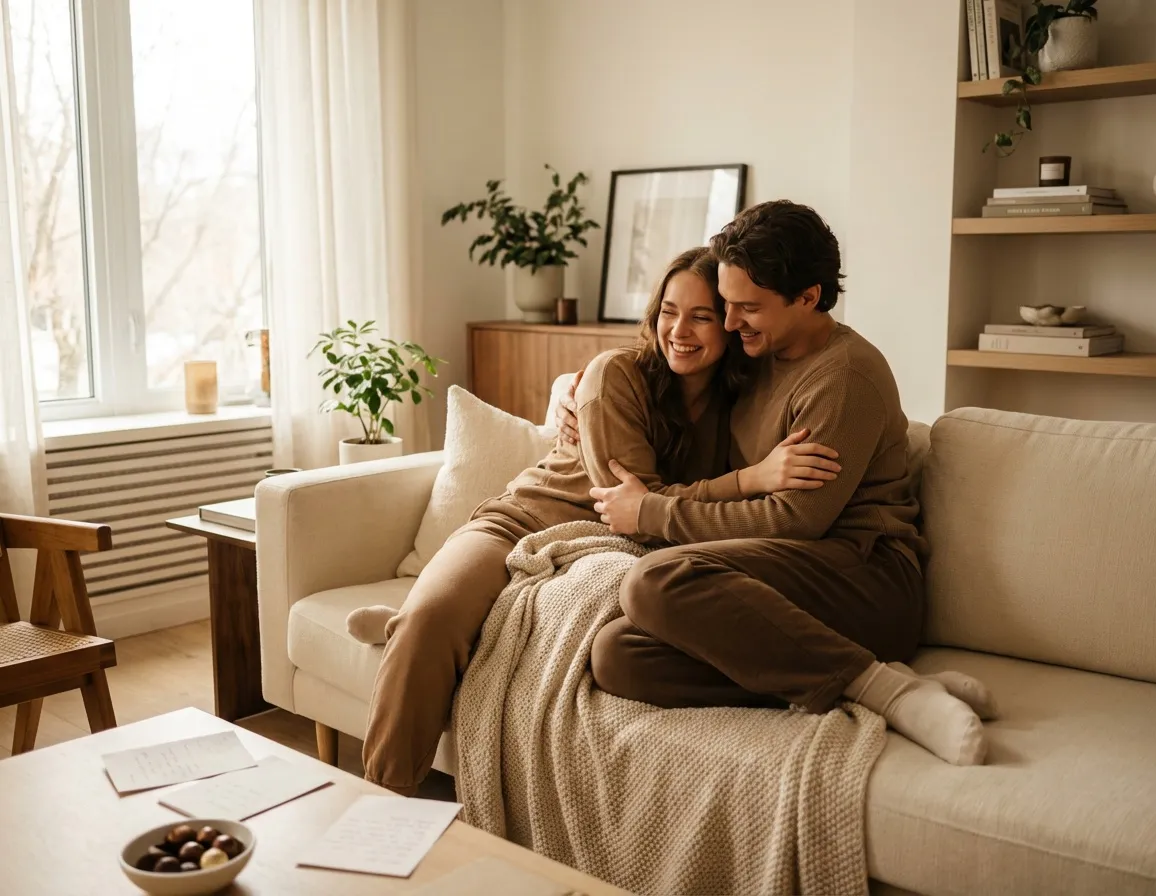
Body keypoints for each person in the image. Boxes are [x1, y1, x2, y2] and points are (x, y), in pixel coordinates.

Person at [352, 246, 844, 795]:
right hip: (523, 524)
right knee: (431, 619)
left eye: (701, 316)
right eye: (668, 312)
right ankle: (382, 803)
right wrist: (749, 480)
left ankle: (407, 623)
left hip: (605, 553)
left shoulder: (742, 403)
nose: (679, 330)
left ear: (729, 326)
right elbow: (636, 509)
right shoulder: (615, 375)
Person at [560, 200, 991, 766]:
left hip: (865, 580)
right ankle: (857, 672)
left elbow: (795, 520)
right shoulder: (754, 355)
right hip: (777, 583)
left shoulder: (845, 375)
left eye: (748, 308)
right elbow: (662, 369)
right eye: (728, 304)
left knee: (656, 578)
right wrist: (572, 390)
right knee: (619, 656)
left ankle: (892, 694)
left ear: (808, 297)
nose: (731, 322)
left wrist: (653, 512)